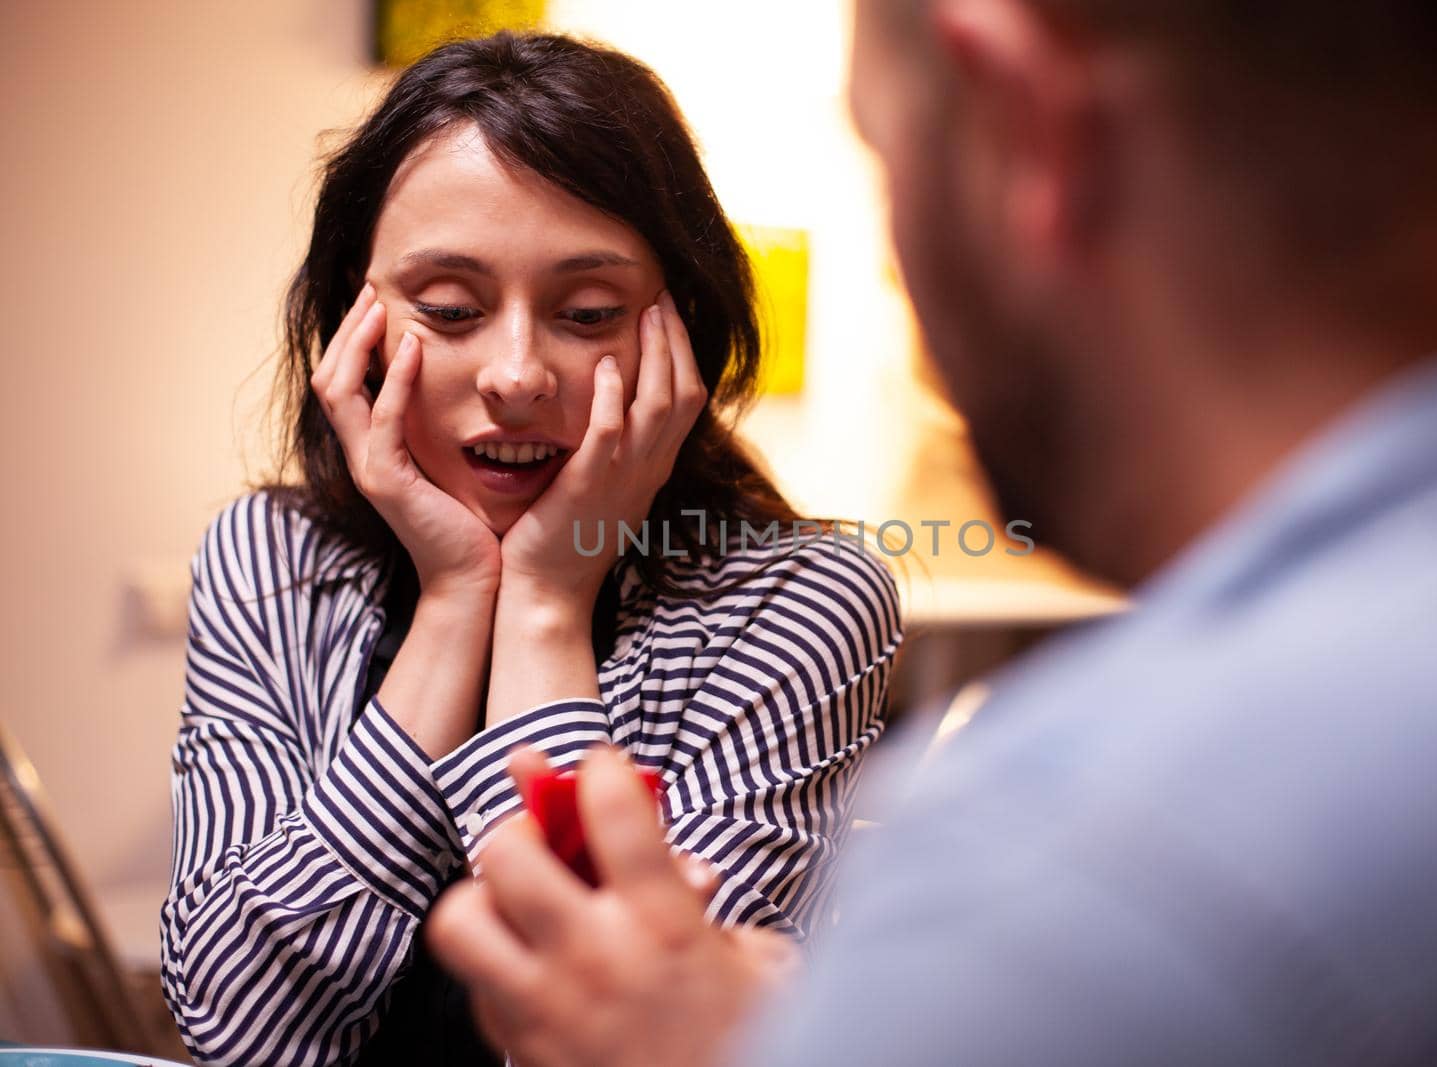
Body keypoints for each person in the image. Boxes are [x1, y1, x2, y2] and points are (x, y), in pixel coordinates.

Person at [425, 0, 1437, 1064]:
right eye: (449, 306)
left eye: (884, 155)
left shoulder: (1070, 861)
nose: (517, 376)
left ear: (1025, 120)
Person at [158, 31, 902, 1067]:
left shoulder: (799, 597)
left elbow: (640, 1039)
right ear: (351, 325)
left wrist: (546, 602)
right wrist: (458, 596)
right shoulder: (270, 558)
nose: (515, 373)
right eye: (451, 309)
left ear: (677, 325)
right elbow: (241, 1029)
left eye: (587, 312)